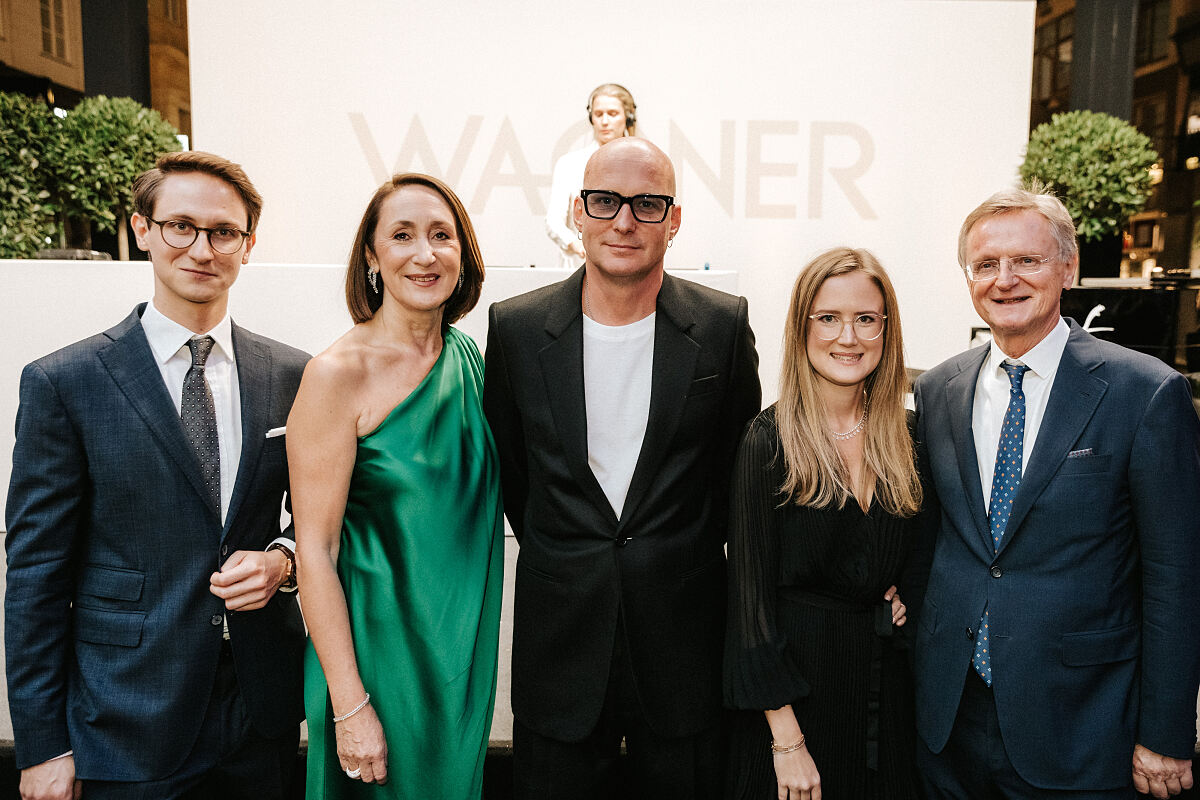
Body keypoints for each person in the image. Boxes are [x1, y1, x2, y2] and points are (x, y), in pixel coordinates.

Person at [5, 150, 309, 800]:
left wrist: (284, 558)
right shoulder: (65, 383)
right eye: (181, 226)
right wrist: (41, 746)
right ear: (142, 229)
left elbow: (318, 516)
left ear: (248, 244)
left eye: (223, 231)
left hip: (259, 715)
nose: (202, 247)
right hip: (122, 720)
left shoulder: (292, 375)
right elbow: (34, 574)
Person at [484, 137, 762, 799]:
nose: (625, 221)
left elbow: (737, 475)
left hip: (684, 644)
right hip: (562, 644)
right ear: (578, 212)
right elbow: (517, 478)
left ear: (675, 218)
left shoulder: (723, 325)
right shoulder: (517, 329)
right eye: (606, 202)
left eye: (647, 203)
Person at [911, 184, 1200, 799]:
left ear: (1068, 267)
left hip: (1083, 727)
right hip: (949, 718)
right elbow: (933, 539)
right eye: (986, 265)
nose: (1005, 279)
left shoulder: (1145, 393)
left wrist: (1168, 731)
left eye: (1027, 261)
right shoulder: (939, 390)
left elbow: (1176, 576)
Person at [290, 173, 503, 799]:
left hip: (457, 663)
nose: (425, 253)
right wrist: (351, 705)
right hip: (377, 668)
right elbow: (316, 553)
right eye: (402, 235)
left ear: (463, 255)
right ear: (372, 256)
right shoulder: (336, 375)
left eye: (443, 235)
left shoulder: (470, 360)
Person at [723, 248, 923, 800]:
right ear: (802, 327)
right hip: (791, 709)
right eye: (829, 318)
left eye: (865, 319)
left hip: (884, 702)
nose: (848, 338)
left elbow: (926, 557)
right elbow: (749, 607)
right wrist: (786, 741)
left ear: (886, 330)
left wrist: (906, 595)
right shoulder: (768, 441)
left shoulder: (910, 437)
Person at [545, 83, 638, 269]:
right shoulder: (569, 164)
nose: (604, 121)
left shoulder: (643, 165)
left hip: (631, 267)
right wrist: (577, 245)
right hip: (580, 268)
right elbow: (554, 221)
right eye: (598, 114)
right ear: (591, 118)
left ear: (627, 118)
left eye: (612, 114)